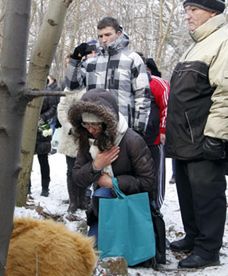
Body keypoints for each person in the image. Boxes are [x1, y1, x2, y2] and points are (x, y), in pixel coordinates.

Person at [166, 0, 228, 269]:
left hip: (204, 137)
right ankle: (193, 237)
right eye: (186, 9)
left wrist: (216, 136)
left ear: (212, 11)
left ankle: (208, 249)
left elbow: (225, 94)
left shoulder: (222, 41)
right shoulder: (198, 42)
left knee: (207, 194)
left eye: (193, 9)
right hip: (184, 138)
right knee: (187, 191)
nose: (187, 15)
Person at [68, 89, 156, 263]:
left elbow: (149, 182)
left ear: (107, 123)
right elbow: (77, 178)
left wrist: (114, 183)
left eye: (96, 125)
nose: (91, 130)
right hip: (102, 210)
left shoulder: (132, 141)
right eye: (86, 124)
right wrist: (95, 165)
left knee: (132, 257)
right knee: (94, 253)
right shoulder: (86, 139)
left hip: (132, 209)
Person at [65, 16, 151, 134]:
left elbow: (142, 96)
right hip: (94, 127)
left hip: (123, 126)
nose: (104, 39)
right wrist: (75, 59)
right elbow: (72, 85)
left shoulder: (132, 59)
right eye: (100, 36)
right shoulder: (92, 62)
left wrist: (139, 129)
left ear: (119, 33)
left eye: (108, 35)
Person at [145, 57, 170, 209]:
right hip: (135, 139)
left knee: (155, 173)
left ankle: (156, 205)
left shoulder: (157, 83)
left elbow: (167, 106)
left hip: (154, 139)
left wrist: (163, 130)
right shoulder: (129, 82)